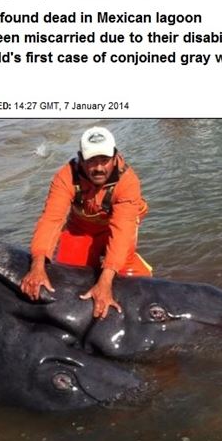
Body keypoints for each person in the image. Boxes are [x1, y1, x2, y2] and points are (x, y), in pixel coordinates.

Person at [20, 126, 151, 319]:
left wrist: (105, 281)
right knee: (69, 278)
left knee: (136, 284)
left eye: (104, 160)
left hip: (116, 226)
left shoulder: (128, 182)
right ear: (80, 159)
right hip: (81, 228)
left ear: (115, 157)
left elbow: (122, 231)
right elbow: (51, 219)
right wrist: (37, 265)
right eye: (91, 161)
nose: (98, 168)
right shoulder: (65, 176)